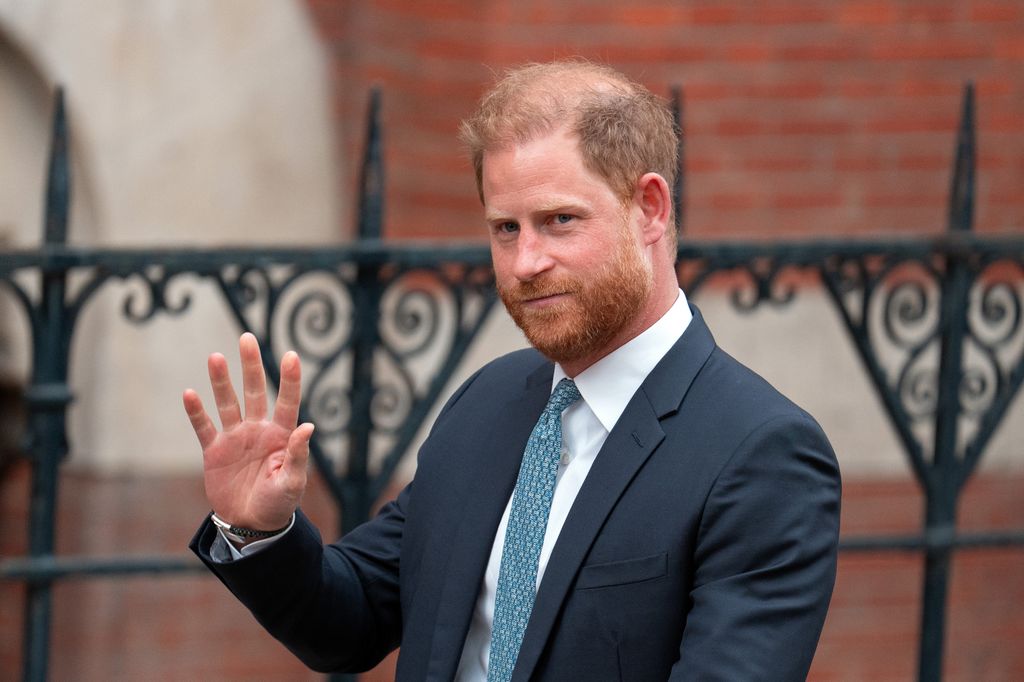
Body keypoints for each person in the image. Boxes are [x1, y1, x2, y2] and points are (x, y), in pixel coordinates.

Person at [185, 59, 841, 681]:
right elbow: (350, 620)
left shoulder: (762, 453)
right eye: (506, 228)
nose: (526, 262)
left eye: (560, 221)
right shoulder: (488, 404)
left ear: (650, 209)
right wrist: (258, 530)